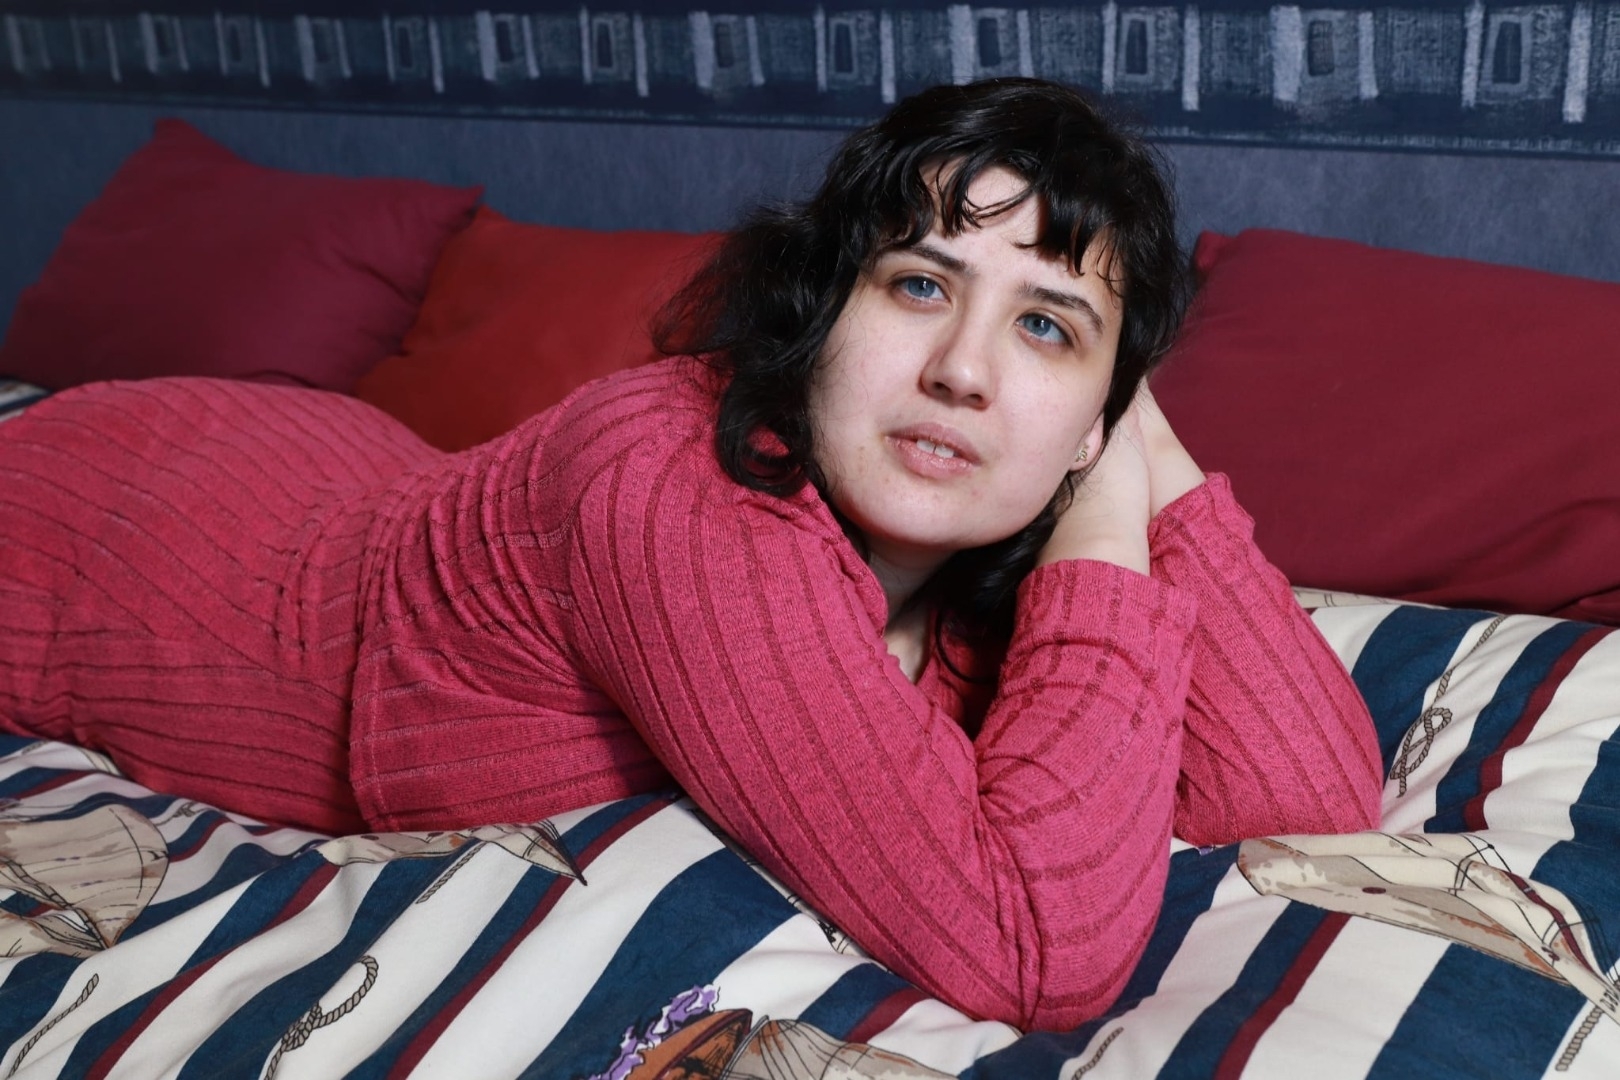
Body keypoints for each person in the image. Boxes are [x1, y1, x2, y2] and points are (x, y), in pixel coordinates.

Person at [0, 78, 1382, 1032]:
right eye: (919, 283)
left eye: (1044, 327)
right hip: (127, 527)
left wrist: (1128, 457)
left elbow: (1308, 798)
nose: (963, 370)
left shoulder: (987, 539)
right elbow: (1031, 950)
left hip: (351, 462)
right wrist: (1092, 467)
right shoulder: (680, 490)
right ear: (821, 312)